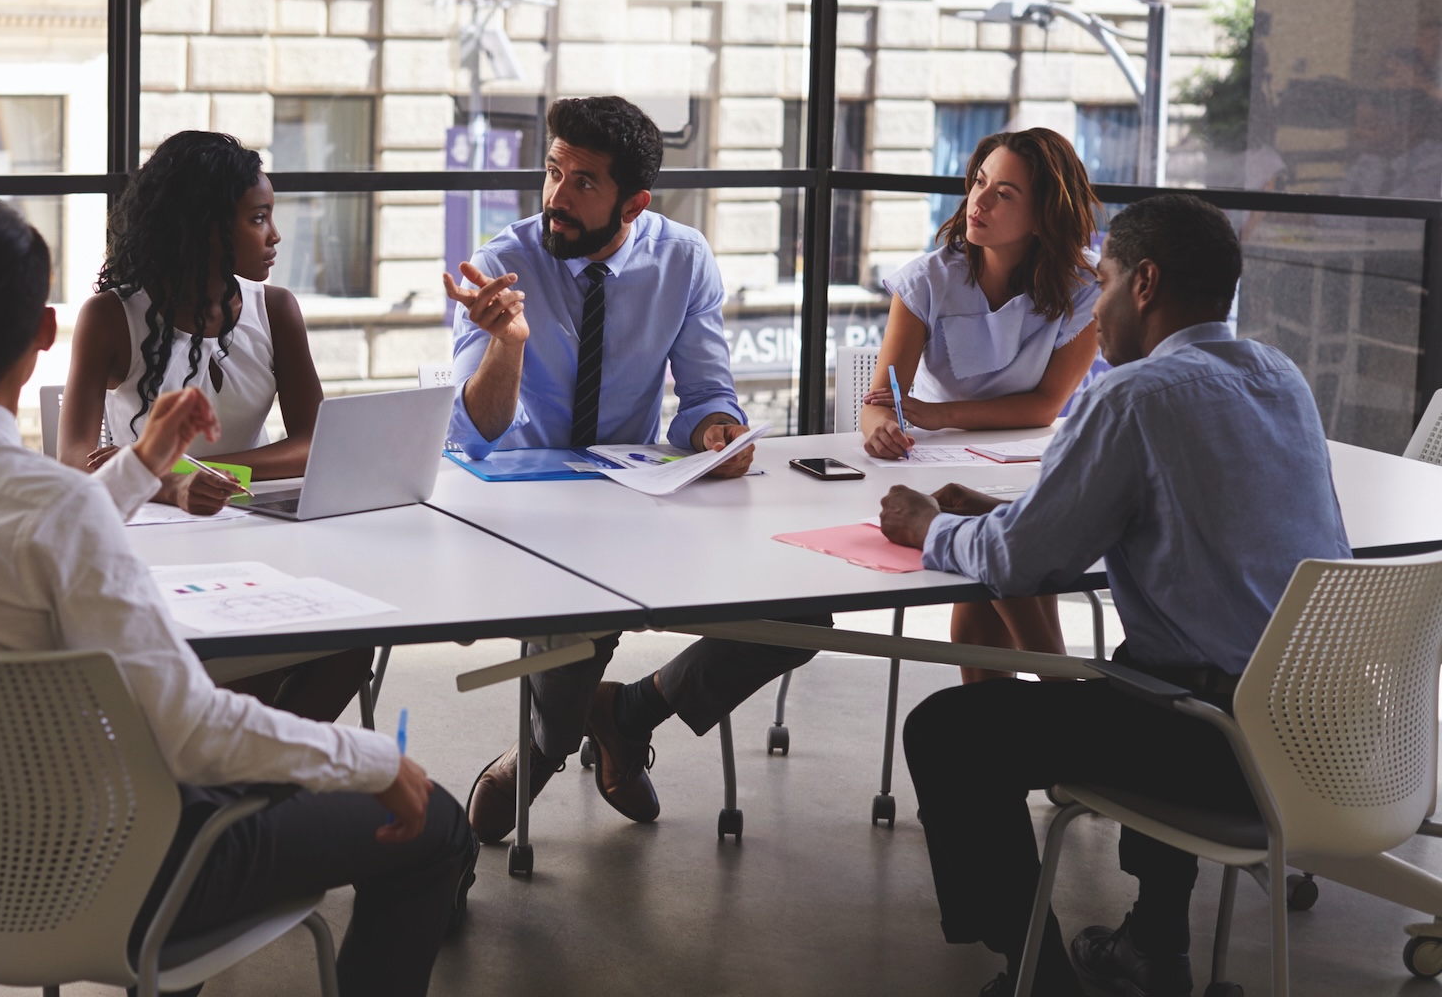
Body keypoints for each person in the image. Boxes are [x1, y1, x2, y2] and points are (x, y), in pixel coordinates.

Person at [0, 197, 476, 997]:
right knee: (436, 825)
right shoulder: (51, 507)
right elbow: (193, 735)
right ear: (45, 334)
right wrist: (376, 761)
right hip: (121, 874)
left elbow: (36, 533)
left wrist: (143, 463)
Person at [879, 194, 1350, 997]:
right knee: (1150, 667)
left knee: (948, 733)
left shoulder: (1132, 394)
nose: (1094, 308)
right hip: (1323, 727)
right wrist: (1026, 509)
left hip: (1220, 745)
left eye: (1103, 282)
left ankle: (1040, 976)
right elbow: (1190, 512)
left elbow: (1018, 567)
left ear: (1145, 283)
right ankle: (1154, 946)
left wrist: (926, 527)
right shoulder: (1279, 377)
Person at [444, 95, 825, 843]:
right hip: (525, 505)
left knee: (801, 615)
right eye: (553, 171)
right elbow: (475, 432)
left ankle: (629, 712)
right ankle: (541, 754)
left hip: (633, 493)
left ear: (634, 201)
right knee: (579, 615)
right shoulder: (499, 266)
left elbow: (707, 396)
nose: (557, 195)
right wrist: (507, 344)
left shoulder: (682, 258)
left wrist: (719, 430)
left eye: (583, 182)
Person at [61, 130, 372, 723]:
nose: (275, 236)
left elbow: (315, 444)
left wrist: (211, 471)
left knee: (352, 644)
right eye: (258, 219)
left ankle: (248, 786)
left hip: (256, 534)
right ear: (205, 228)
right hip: (148, 539)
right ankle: (238, 778)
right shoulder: (109, 317)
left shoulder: (275, 310)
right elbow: (73, 465)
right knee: (227, 656)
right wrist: (168, 482)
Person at [860, 128, 1100, 682]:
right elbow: (881, 402)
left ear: (1042, 216)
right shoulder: (927, 280)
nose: (979, 201)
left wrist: (934, 414)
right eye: (979, 183)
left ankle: (1026, 713)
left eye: (1005, 193)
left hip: (1029, 461)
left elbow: (1044, 407)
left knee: (988, 569)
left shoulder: (1085, 287)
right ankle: (1051, 699)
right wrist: (880, 428)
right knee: (988, 579)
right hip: (942, 466)